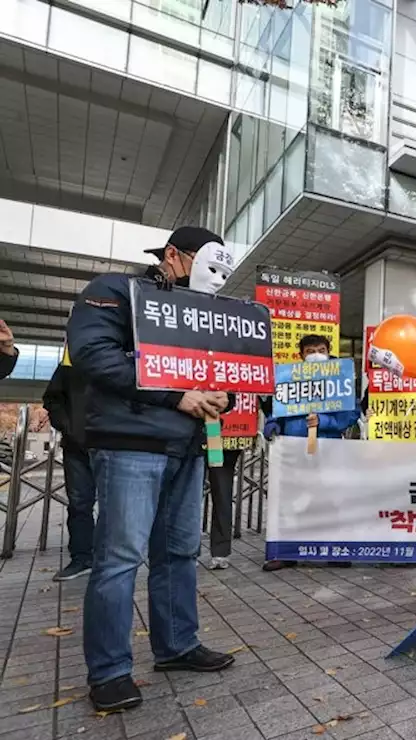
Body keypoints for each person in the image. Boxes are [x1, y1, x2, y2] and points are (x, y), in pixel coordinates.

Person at [67, 226, 236, 713]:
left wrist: (222, 394)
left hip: (186, 446)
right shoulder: (114, 292)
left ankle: (178, 645)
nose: (216, 280)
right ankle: (110, 671)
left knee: (180, 552)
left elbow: (223, 368)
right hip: (130, 443)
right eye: (208, 265)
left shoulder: (207, 315)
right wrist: (174, 395)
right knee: (120, 558)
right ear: (172, 256)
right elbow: (94, 355)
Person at [261, 335, 362, 572]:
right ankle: (286, 552)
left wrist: (324, 421)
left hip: (328, 446)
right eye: (310, 350)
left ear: (329, 352)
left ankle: (335, 549)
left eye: (321, 349)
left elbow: (350, 414)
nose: (316, 353)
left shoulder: (340, 378)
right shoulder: (288, 378)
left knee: (331, 498)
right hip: (294, 445)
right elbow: (277, 406)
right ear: (301, 355)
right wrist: (272, 424)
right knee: (291, 499)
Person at [42, 361, 97, 581]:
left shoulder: (128, 355)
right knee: (79, 503)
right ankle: (82, 558)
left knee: (117, 505)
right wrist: (69, 427)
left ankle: (111, 558)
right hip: (77, 447)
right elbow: (52, 399)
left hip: (117, 444)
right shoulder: (70, 362)